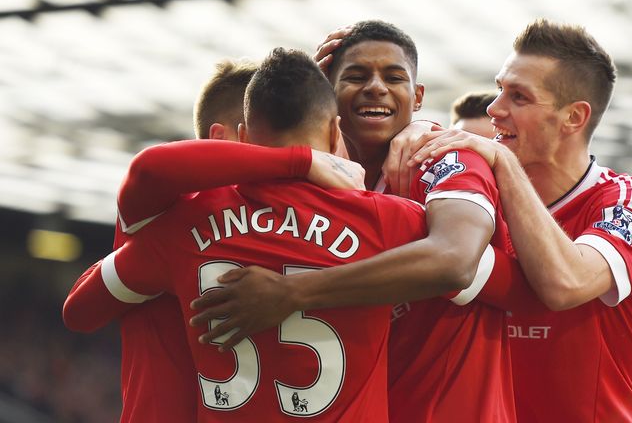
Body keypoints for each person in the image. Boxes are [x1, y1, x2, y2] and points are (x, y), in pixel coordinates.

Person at [63, 48, 466, 421]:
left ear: (247, 135)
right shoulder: (390, 220)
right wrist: (460, 148)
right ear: (333, 129)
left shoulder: (180, 224)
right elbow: (485, 270)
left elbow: (79, 311)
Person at [189, 20, 517, 422]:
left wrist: (293, 292)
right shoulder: (314, 191)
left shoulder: (444, 159)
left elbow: (455, 260)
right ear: (329, 97)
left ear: (417, 97)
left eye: (393, 77)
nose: (376, 87)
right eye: (356, 76)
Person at [406, 19, 632, 422]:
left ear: (573, 118)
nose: (494, 109)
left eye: (519, 97)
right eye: (499, 89)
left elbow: (566, 284)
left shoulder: (631, 200)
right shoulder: (472, 203)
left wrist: (505, 167)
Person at [70, 59, 260, 423]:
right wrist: (300, 159)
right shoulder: (165, 209)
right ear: (221, 139)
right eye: (270, 139)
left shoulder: (289, 222)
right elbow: (151, 167)